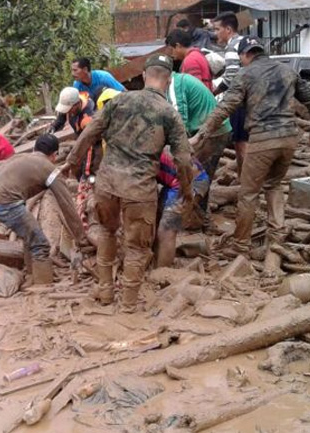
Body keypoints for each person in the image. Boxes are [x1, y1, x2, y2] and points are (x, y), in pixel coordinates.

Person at [63, 55, 194, 311]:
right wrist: (187, 191)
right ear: (167, 81)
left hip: (107, 185)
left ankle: (106, 292)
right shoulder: (169, 114)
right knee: (136, 248)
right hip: (139, 190)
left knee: (107, 233)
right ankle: (128, 306)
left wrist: (71, 161)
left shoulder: (118, 101)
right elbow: (184, 160)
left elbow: (90, 132)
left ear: (144, 76)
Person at [190, 38, 310, 263]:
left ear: (245, 55)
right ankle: (277, 238)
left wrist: (200, 134)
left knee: (248, 193)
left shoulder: (245, 74)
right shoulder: (287, 71)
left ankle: (241, 245)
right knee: (274, 185)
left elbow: (226, 107)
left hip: (263, 139)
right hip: (289, 139)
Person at [0, 134, 84, 285]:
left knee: (29, 235)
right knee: (40, 244)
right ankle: (43, 285)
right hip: (6, 204)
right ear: (54, 155)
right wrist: (81, 239)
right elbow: (68, 206)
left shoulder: (18, 158)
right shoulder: (50, 170)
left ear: (34, 148)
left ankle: (31, 275)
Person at [166, 71, 231, 210]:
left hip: (211, 133)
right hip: (215, 129)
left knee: (196, 175)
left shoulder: (174, 84)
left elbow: (180, 119)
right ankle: (197, 214)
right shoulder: (181, 80)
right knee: (202, 174)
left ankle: (196, 216)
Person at [155, 148, 210, 268]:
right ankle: (156, 263)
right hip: (172, 180)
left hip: (190, 182)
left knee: (166, 230)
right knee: (155, 222)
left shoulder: (136, 155)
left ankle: (161, 273)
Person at [211, 12, 249, 176]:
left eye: (217, 29)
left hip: (241, 101)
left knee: (241, 143)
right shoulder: (245, 43)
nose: (215, 33)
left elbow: (231, 76)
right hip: (255, 98)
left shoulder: (233, 46)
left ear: (228, 29)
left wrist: (213, 92)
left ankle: (245, 180)